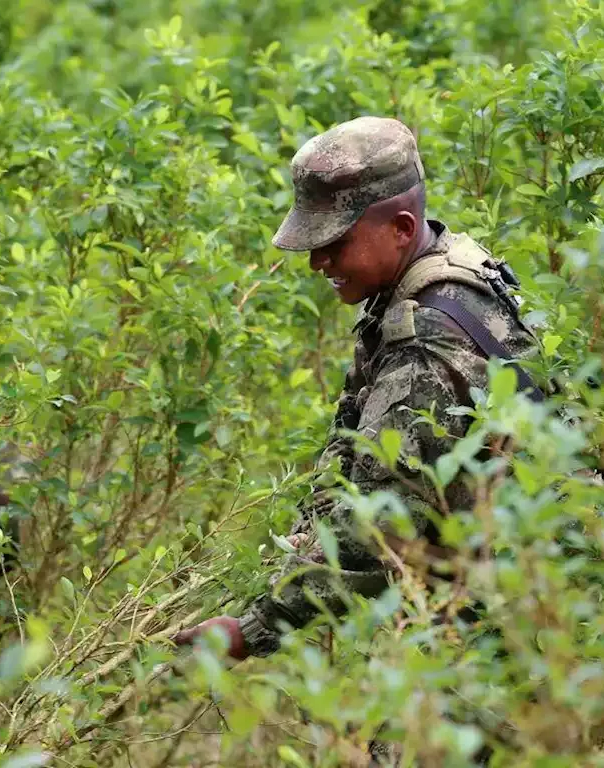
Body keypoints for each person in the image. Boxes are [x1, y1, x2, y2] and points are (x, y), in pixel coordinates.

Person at [173, 115, 539, 662]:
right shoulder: (440, 269)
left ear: (401, 227)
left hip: (522, 626)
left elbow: (378, 526)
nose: (319, 261)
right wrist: (299, 543)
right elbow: (353, 453)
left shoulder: (428, 340)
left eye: (335, 242)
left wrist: (252, 628)